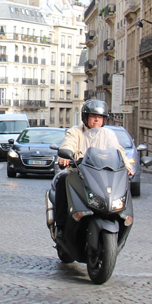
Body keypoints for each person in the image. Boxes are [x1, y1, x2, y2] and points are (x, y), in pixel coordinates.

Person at [52, 99, 135, 234]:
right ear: (86, 118)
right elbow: (68, 144)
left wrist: (126, 166)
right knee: (63, 180)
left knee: (123, 186)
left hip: (102, 175)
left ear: (104, 120)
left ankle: (124, 218)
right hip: (79, 173)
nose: (96, 120)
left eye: (99, 117)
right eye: (93, 116)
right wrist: (65, 157)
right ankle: (61, 225)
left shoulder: (108, 134)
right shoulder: (75, 132)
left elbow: (118, 150)